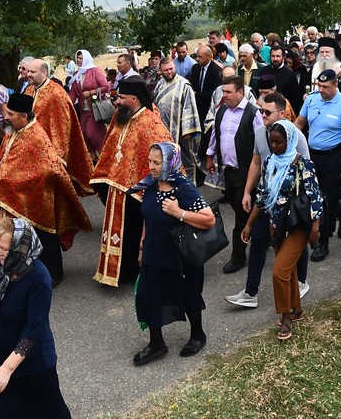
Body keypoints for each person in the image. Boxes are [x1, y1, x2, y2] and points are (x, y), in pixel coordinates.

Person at [0, 94, 92, 287]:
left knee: (45, 235)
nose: (6, 117)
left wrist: (16, 181)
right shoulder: (13, 131)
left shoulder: (35, 135)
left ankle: (54, 275)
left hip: (38, 196)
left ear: (24, 116)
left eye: (10, 113)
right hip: (15, 197)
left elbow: (49, 168)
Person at [0, 217, 71, 418]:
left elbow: (33, 331)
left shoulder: (39, 279)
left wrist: (5, 371)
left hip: (32, 366)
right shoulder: (1, 265)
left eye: (6, 249)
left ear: (22, 249)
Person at [128, 142, 217, 364]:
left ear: (170, 162)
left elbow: (209, 219)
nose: (151, 166)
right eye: (150, 161)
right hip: (152, 252)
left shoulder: (183, 188)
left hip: (179, 256)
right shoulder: (150, 185)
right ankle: (156, 343)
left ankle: (198, 335)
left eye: (157, 162)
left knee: (188, 296)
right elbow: (148, 218)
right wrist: (141, 246)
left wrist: (179, 213)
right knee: (148, 296)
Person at [240, 122, 322, 341]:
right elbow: (263, 195)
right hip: (275, 225)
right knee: (289, 272)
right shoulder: (269, 162)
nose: (274, 146)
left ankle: (285, 317)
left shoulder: (303, 164)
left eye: (279, 142)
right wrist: (249, 224)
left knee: (279, 272)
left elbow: (316, 197)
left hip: (296, 226)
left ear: (290, 140)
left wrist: (315, 230)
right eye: (271, 142)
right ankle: (296, 310)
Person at [89, 79, 173, 287]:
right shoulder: (121, 117)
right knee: (122, 234)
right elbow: (111, 146)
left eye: (121, 98)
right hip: (117, 186)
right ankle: (120, 271)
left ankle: (137, 271)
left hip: (137, 191)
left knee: (135, 232)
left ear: (134, 99)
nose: (116, 102)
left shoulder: (150, 123)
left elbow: (165, 153)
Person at [295, 69, 341, 262]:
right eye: (319, 86)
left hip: (334, 156)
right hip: (312, 154)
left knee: (328, 199)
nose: (321, 90)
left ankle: (323, 241)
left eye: (325, 87)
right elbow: (299, 123)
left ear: (335, 85)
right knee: (314, 193)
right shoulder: (312, 99)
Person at [204, 75, 263, 274]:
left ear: (241, 92)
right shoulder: (221, 111)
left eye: (229, 92)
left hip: (247, 172)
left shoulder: (253, 113)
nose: (225, 95)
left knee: (242, 215)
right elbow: (216, 134)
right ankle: (263, 238)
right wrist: (210, 155)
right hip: (229, 171)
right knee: (242, 209)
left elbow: (261, 143)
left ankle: (238, 256)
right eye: (223, 91)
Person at [22, 59, 94, 196]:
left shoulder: (56, 92)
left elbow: (64, 125)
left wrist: (57, 156)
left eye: (32, 71)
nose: (28, 74)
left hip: (50, 152)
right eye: (28, 71)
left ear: (44, 73)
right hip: (31, 149)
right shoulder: (29, 90)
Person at [152, 56, 203, 186]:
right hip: (164, 129)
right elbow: (156, 106)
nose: (169, 72)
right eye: (165, 70)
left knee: (185, 157)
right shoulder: (159, 84)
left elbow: (189, 107)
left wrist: (188, 130)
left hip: (181, 130)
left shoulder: (184, 84)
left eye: (171, 69)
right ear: (161, 71)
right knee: (166, 156)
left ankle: (189, 183)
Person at [69, 49, 111, 156]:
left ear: (86, 59)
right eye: (77, 58)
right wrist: (67, 104)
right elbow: (73, 93)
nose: (78, 60)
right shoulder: (77, 74)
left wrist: (90, 92)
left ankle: (104, 155)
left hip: (95, 108)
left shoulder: (95, 71)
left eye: (81, 58)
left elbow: (106, 87)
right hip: (84, 110)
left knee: (92, 133)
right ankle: (92, 158)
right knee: (83, 135)